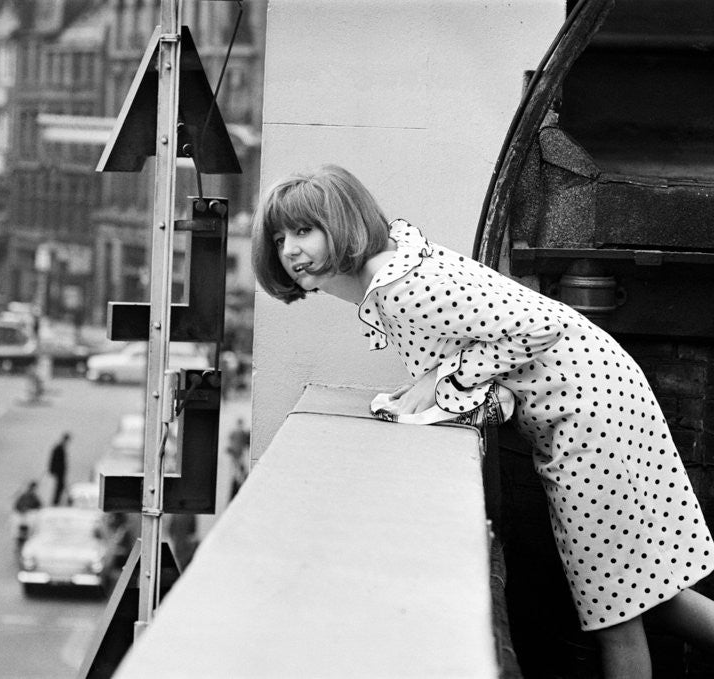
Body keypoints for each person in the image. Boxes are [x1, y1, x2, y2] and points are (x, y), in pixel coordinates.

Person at [251, 164, 714, 678]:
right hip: (592, 401)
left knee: (616, 610)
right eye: (278, 237)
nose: (289, 250)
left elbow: (540, 327)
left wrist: (444, 379)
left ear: (343, 224)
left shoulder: (403, 287)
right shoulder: (396, 274)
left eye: (303, 230)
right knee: (641, 594)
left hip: (589, 413)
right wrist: (441, 382)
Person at [225, 417, 250, 500]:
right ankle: (239, 481)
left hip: (239, 455)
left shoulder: (240, 433)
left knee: (238, 469)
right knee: (237, 470)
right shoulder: (238, 433)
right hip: (237, 455)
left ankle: (239, 481)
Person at [48, 432, 70, 505]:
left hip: (60, 471)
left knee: (61, 486)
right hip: (59, 471)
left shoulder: (60, 447)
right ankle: (56, 502)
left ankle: (57, 501)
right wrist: (53, 469)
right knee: (60, 486)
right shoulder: (59, 448)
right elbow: (54, 460)